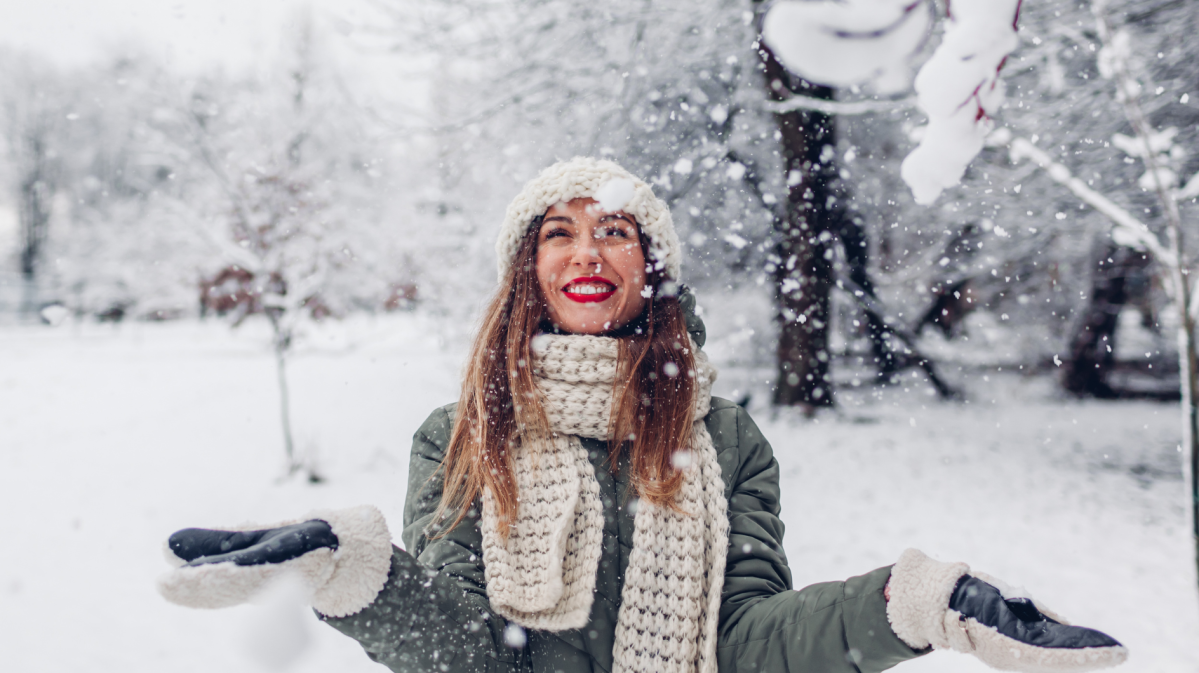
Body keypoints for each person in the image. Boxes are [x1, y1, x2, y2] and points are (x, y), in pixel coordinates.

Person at [159, 158, 1127, 673]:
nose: (586, 253)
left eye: (613, 231)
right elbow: (470, 658)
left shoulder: (723, 439)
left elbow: (745, 645)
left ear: (648, 268)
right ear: (528, 272)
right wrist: (350, 569)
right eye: (559, 233)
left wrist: (913, 604)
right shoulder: (461, 434)